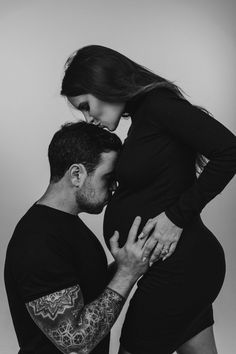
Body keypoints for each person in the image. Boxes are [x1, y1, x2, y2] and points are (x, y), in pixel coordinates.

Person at [61, 45, 236, 354]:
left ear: (103, 84)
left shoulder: (158, 106)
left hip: (180, 269)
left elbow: (229, 150)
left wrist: (176, 217)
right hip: (173, 268)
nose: (89, 117)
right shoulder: (144, 118)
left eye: (87, 105)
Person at [4, 121, 155, 354]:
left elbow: (85, 292)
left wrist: (126, 263)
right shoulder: (37, 240)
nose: (114, 187)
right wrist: (127, 274)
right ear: (77, 174)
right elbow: (75, 342)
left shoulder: (65, 226)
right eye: (108, 177)